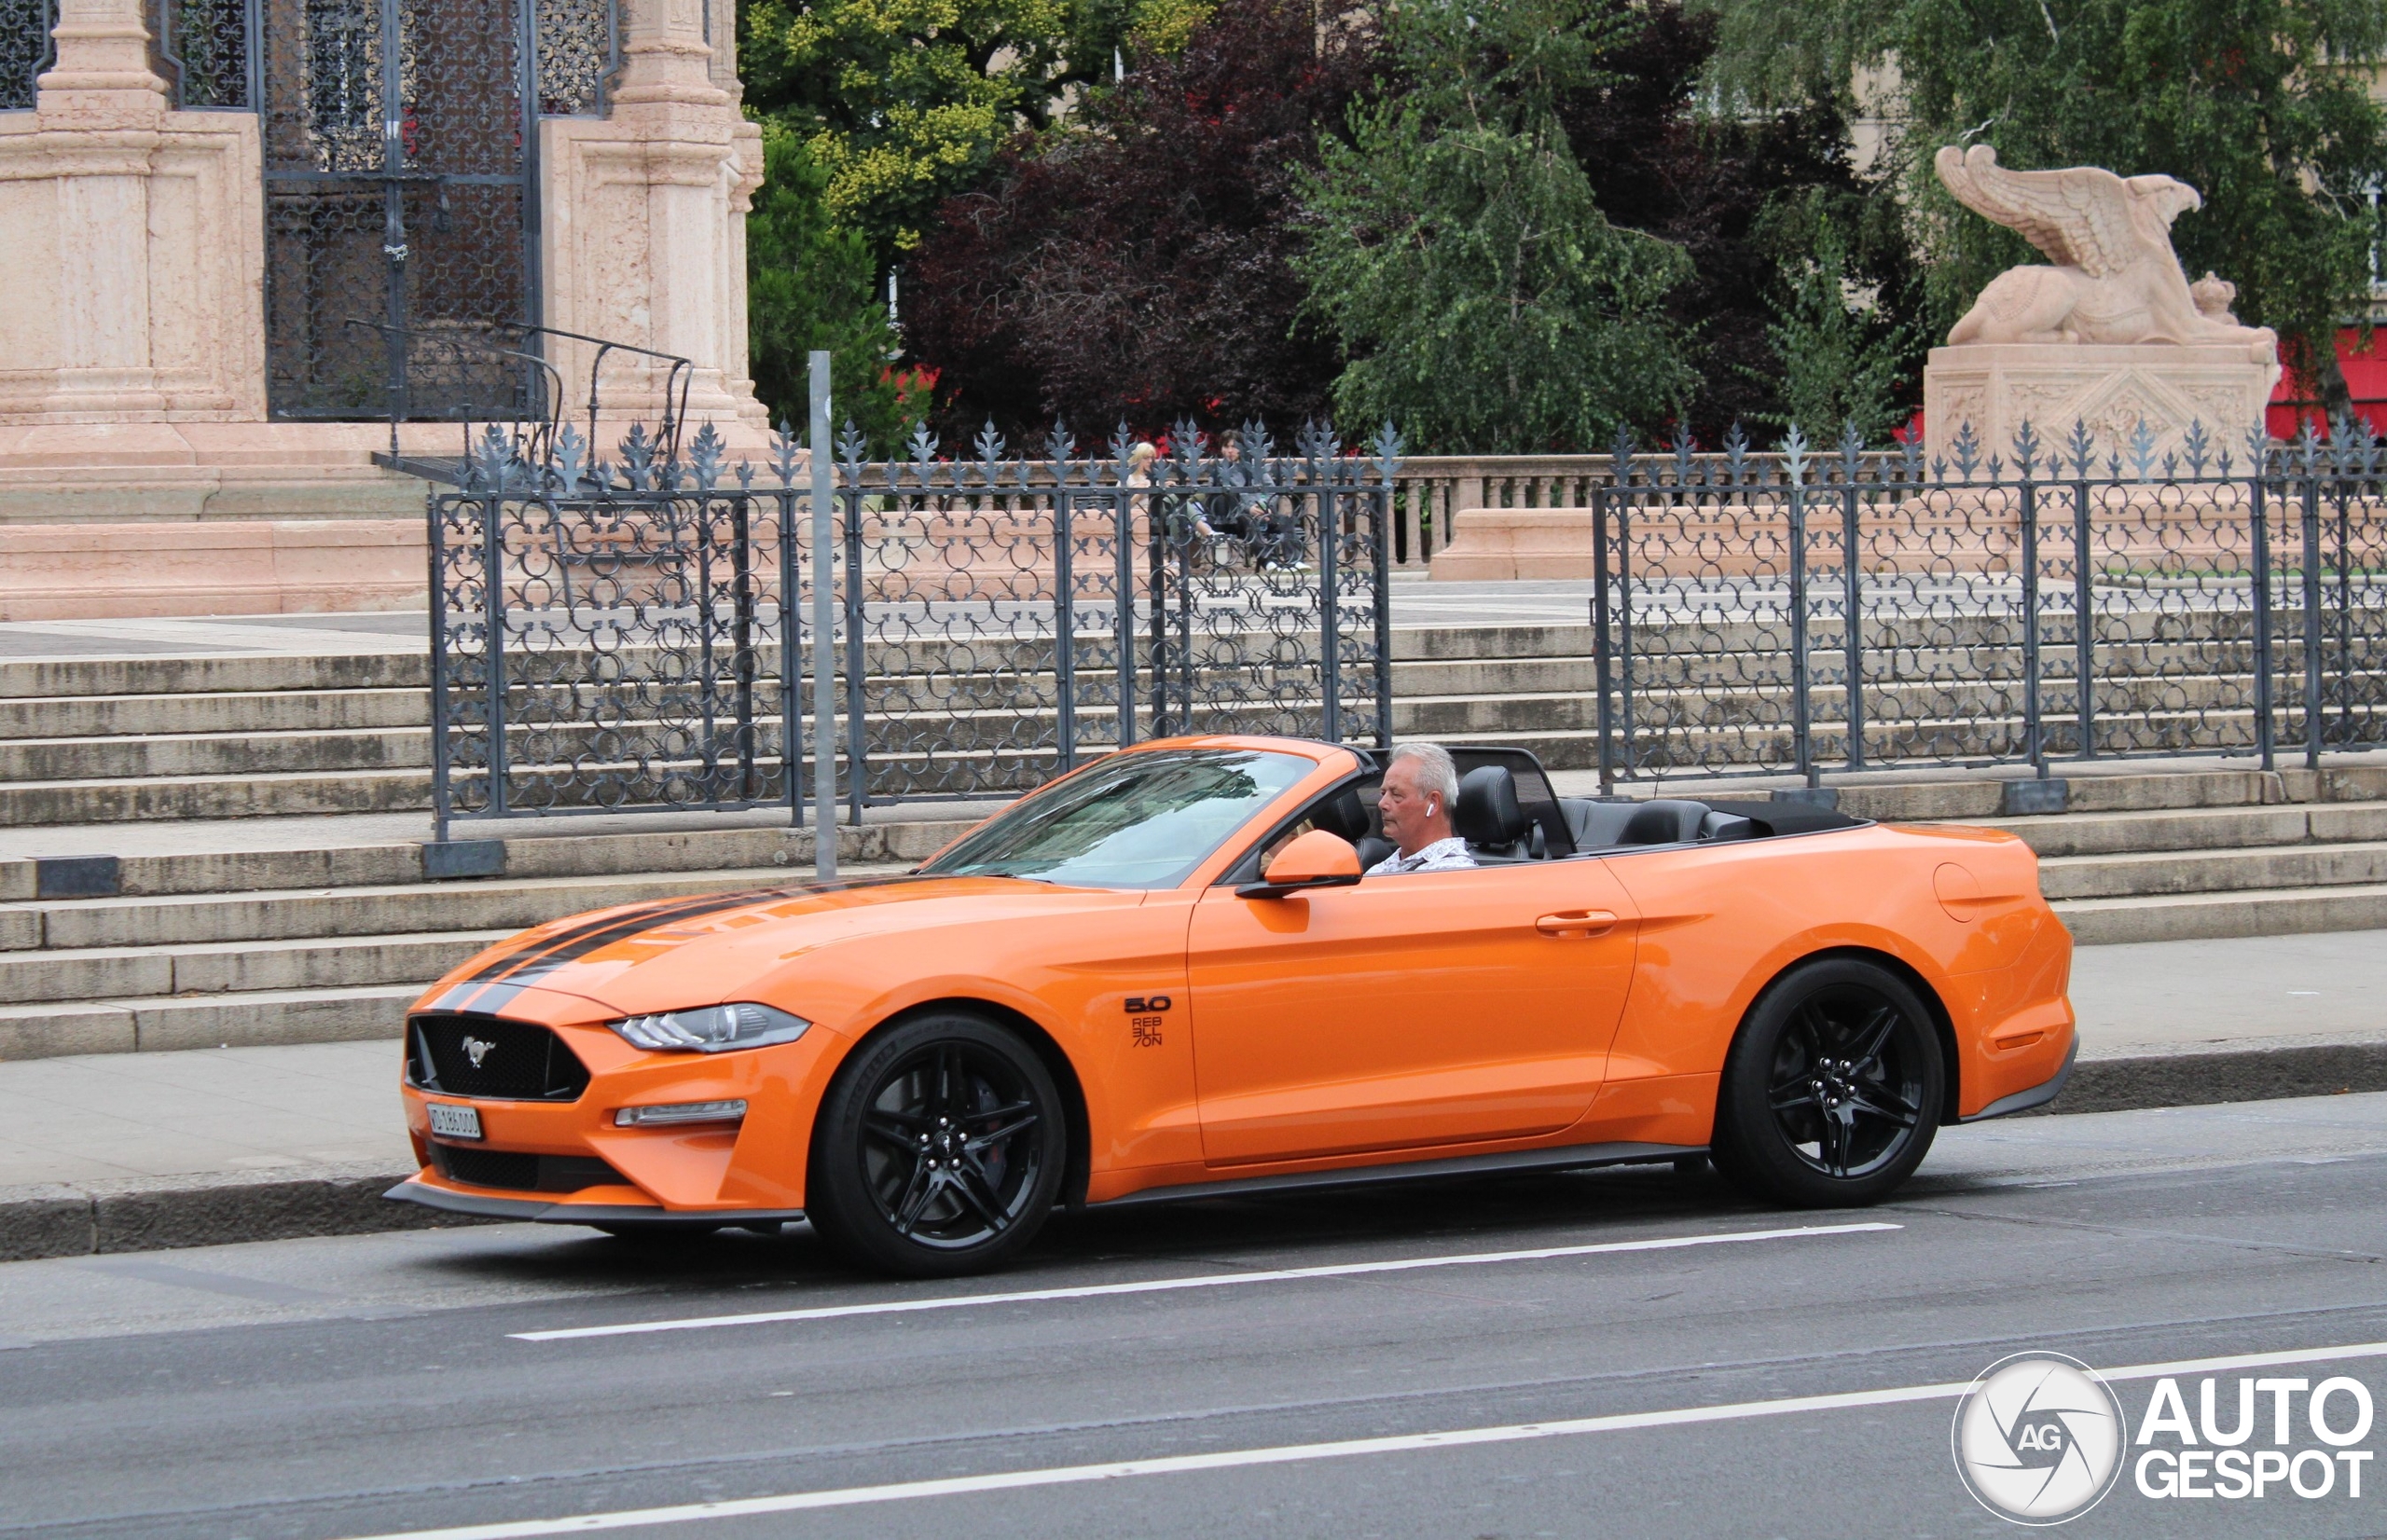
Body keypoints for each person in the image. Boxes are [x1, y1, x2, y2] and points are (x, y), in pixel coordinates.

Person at [1367, 742, 1475, 874]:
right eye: (1383, 794)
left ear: (1433, 802)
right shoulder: (1382, 868)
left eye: (1396, 795)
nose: (1382, 804)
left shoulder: (1454, 873)